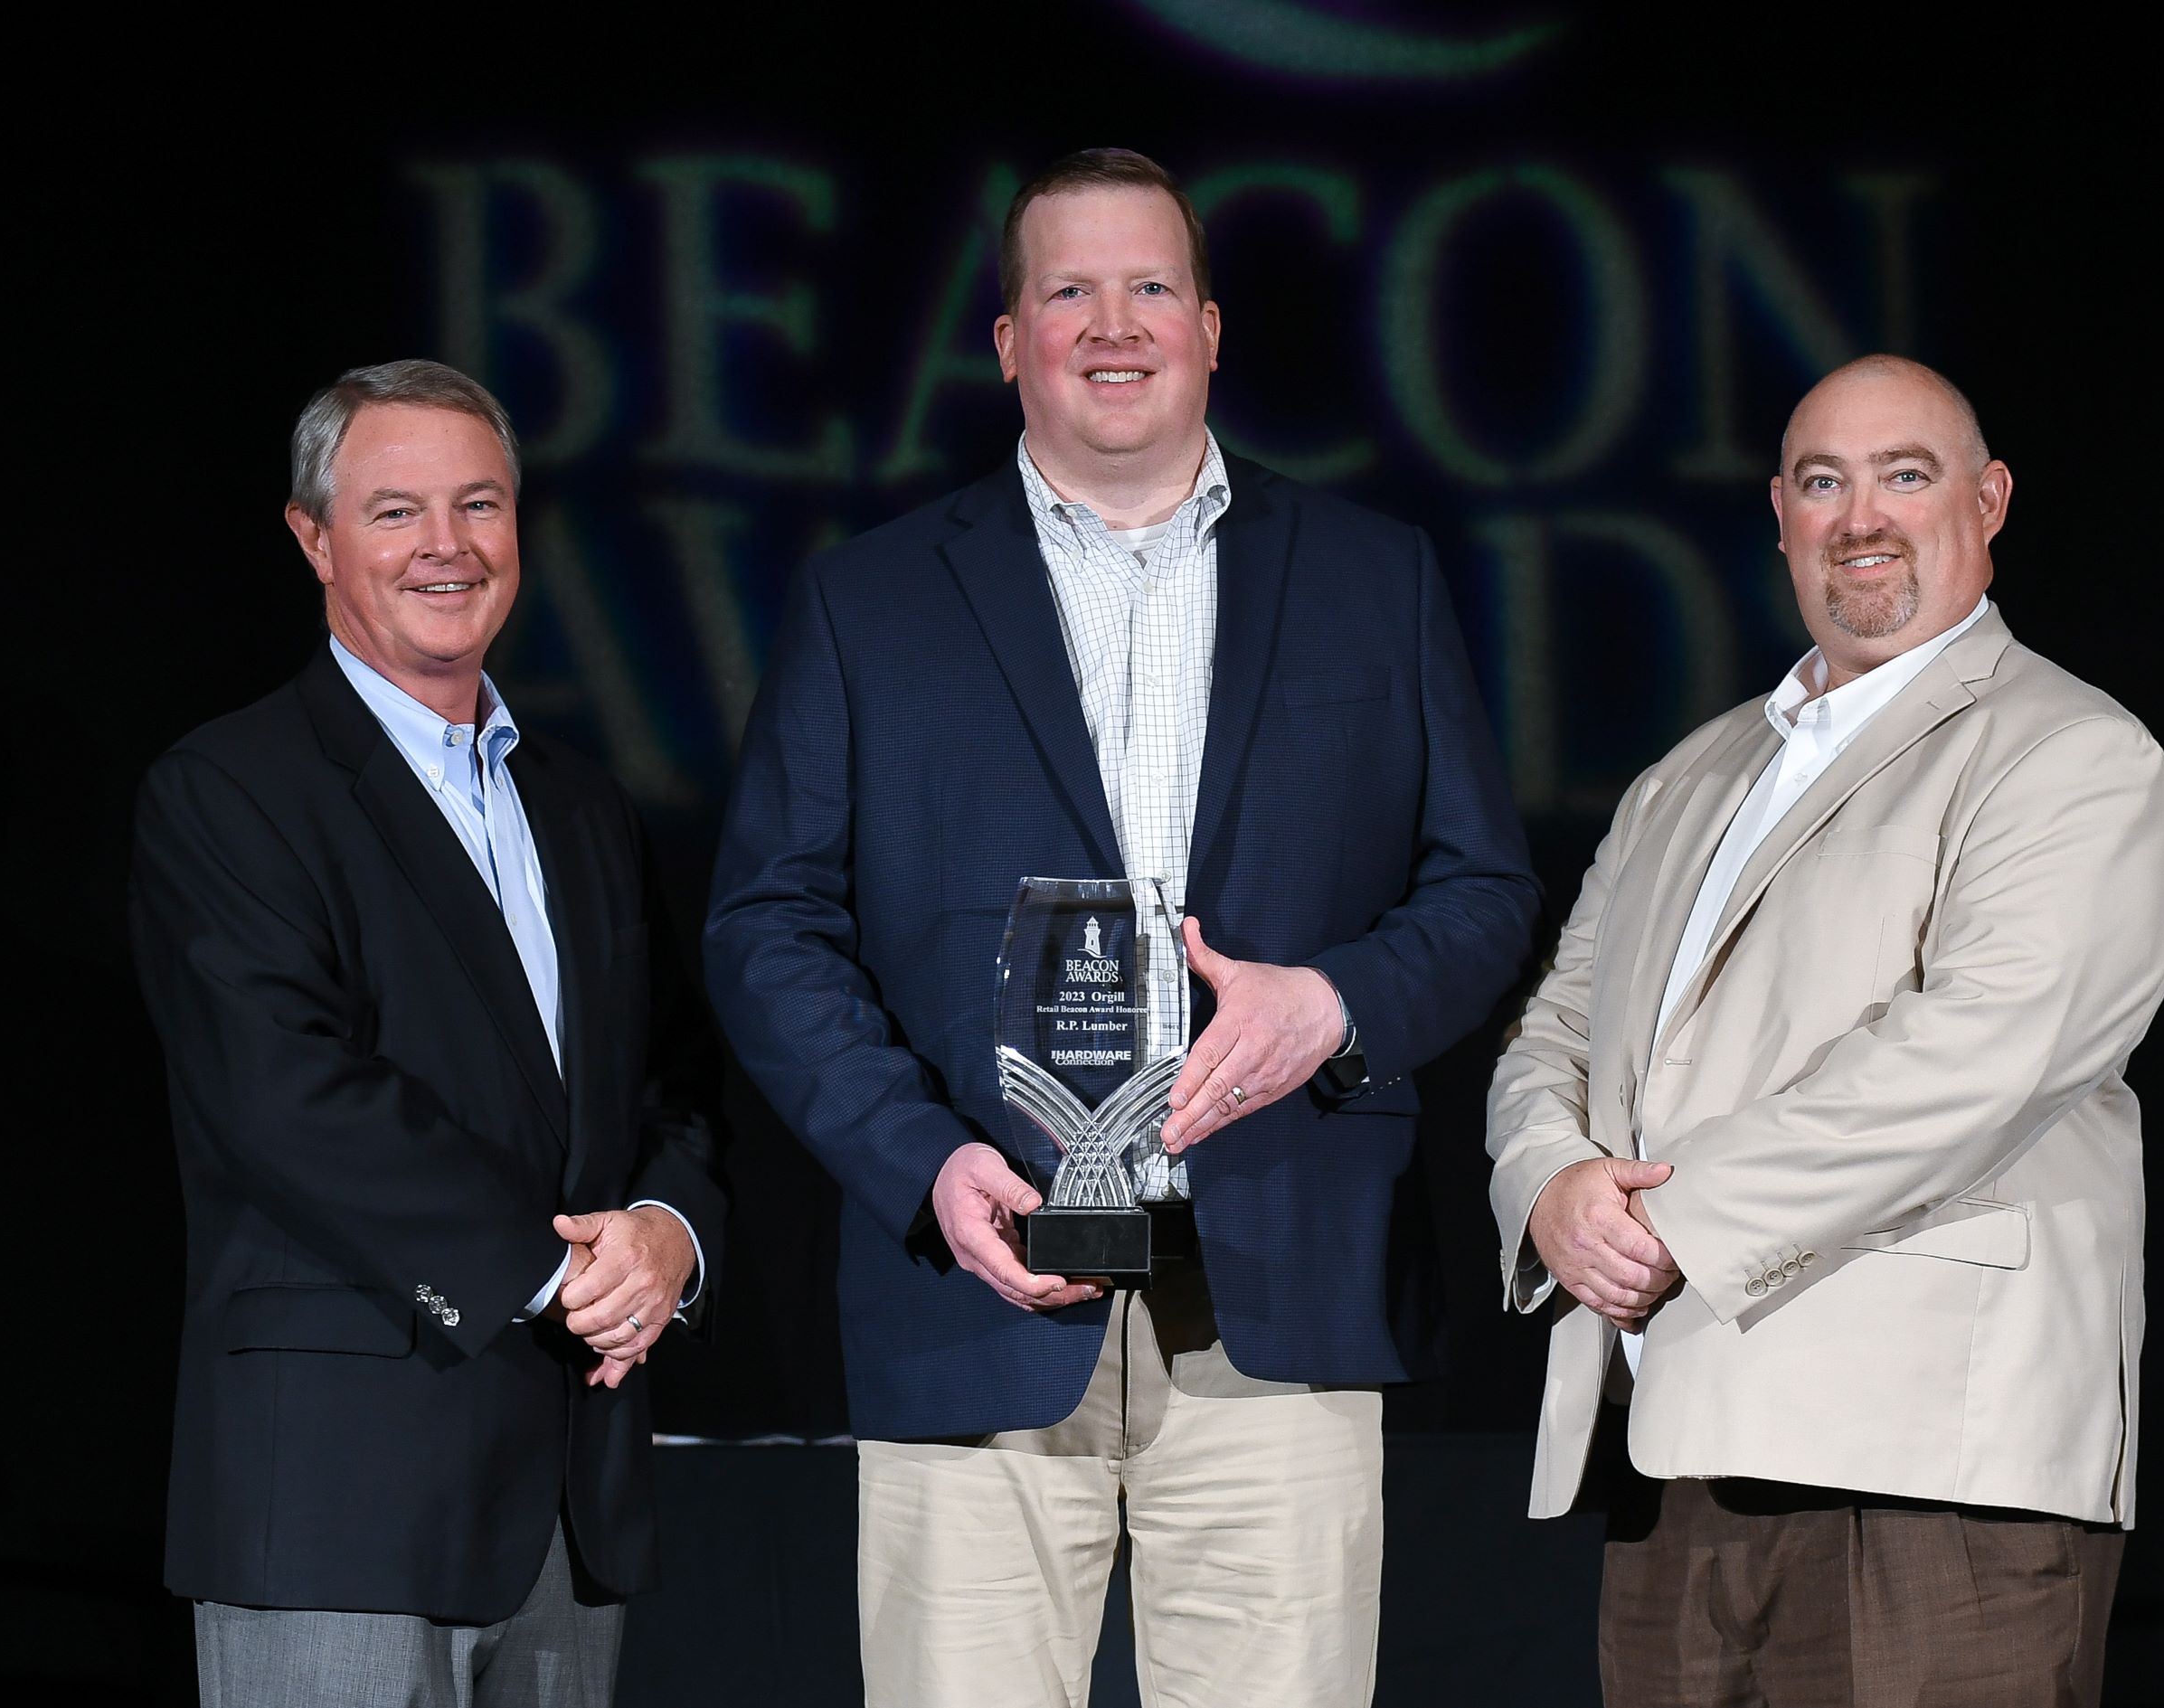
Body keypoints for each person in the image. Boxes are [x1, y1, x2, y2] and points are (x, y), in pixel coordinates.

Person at [705, 148, 1539, 1706]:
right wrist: (919, 1160)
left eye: (1149, 284)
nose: (1113, 322)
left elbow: (1482, 890)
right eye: (1066, 289)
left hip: (1280, 1288)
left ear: (1211, 327)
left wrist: (1333, 1007)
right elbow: (769, 926)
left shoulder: (1373, 578)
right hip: (977, 1285)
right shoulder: (868, 601)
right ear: (1007, 339)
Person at [1487, 354, 2164, 1705]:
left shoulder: (2069, 751)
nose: (1858, 515)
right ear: (1777, 514)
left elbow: (1981, 1054)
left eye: (1903, 475)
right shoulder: (1680, 780)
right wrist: (1550, 1185)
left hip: (1928, 1477)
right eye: (1822, 481)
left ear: (1987, 502)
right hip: (1675, 1454)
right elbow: (1552, 1033)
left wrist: (1664, 1225)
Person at [130, 360, 729, 1708]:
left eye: (479, 505)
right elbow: (284, 1094)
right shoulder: (230, 790)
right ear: (314, 539)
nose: (447, 547)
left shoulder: (584, 808)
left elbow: (672, 1082)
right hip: (339, 1497)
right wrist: (556, 1271)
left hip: (569, 1506)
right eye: (396, 511)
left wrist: (664, 1235)